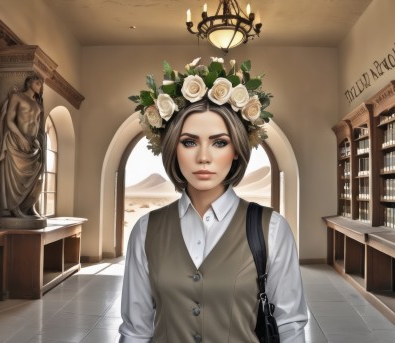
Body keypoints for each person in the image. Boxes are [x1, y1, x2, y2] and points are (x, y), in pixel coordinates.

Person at [119, 58, 308, 342]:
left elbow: (290, 326)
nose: (203, 157)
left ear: (235, 150)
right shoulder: (145, 231)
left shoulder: (272, 229)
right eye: (189, 142)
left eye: (219, 142)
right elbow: (135, 331)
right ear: (173, 148)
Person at [0, 73, 46, 218]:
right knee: (17, 177)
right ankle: (14, 208)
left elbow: (36, 124)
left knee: (36, 176)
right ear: (29, 82)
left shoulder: (38, 103)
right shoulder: (17, 97)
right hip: (17, 141)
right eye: (38, 83)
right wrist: (22, 138)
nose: (40, 86)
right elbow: (10, 121)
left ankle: (29, 206)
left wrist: (36, 139)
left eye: (41, 84)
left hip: (32, 144)